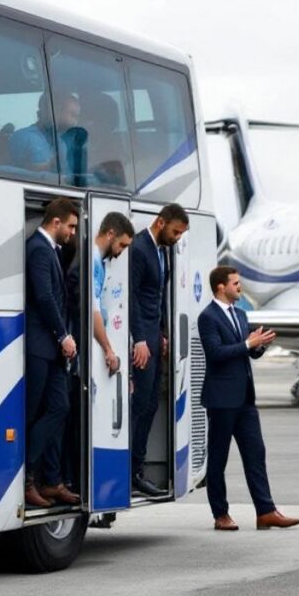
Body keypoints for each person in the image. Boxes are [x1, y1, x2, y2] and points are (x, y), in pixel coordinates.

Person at [198, 265, 299, 531]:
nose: (239, 287)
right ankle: (220, 513)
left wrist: (260, 345)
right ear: (221, 286)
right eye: (235, 283)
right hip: (221, 399)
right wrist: (247, 344)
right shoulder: (208, 317)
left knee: (256, 453)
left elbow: (248, 353)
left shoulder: (242, 314)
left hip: (245, 399)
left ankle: (266, 511)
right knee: (218, 458)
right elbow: (216, 353)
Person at [129, 203, 189, 496]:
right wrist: (139, 338)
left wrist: (163, 333)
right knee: (139, 404)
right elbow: (133, 297)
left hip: (155, 336)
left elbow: (159, 298)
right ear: (161, 222)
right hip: (142, 339)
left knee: (151, 403)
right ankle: (130, 470)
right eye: (176, 231)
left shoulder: (162, 251)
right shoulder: (140, 249)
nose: (177, 237)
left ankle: (136, 467)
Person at [24, 197, 80, 508]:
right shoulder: (38, 249)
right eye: (70, 226)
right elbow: (44, 297)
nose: (73, 232)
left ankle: (51, 480)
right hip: (42, 346)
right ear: (55, 223)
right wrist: (64, 336)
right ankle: (28, 477)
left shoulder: (52, 250)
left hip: (53, 351)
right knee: (34, 413)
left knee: (60, 408)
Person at [92, 212, 135, 374]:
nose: (121, 251)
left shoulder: (102, 262)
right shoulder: (94, 261)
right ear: (110, 234)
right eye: (122, 245)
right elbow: (93, 308)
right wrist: (108, 349)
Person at [8, 92, 80, 174]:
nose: (75, 122)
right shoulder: (23, 137)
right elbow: (16, 174)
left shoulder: (61, 143)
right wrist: (49, 166)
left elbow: (69, 177)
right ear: (56, 111)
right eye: (73, 115)